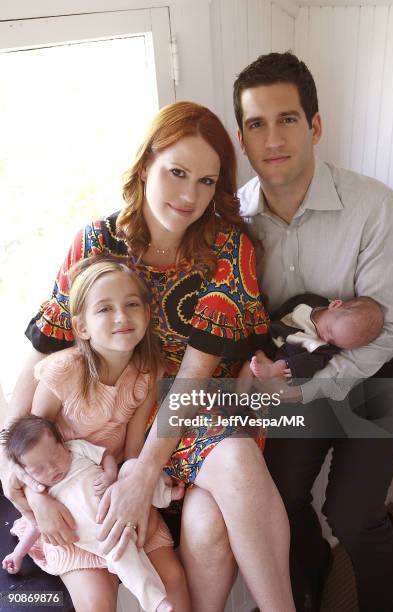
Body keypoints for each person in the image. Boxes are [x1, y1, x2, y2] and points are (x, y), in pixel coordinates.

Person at [1, 101, 295, 612]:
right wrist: (10, 457)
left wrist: (141, 474)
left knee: (227, 480)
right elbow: (43, 349)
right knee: (206, 526)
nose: (189, 195)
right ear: (145, 166)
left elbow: (196, 376)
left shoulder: (230, 248)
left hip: (200, 410)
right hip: (118, 420)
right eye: (176, 172)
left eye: (207, 181)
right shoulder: (96, 242)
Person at [235, 52, 393, 612]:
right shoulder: (233, 221)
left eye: (286, 118)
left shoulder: (377, 208)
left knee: (354, 516)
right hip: (295, 368)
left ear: (314, 125)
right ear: (242, 139)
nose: (272, 138)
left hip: (375, 369)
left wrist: (306, 393)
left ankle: (387, 599)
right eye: (256, 124)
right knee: (278, 497)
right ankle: (308, 580)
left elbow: (391, 330)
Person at [2, 415, 185, 612]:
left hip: (122, 500)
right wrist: (18, 554)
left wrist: (109, 474)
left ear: (62, 445)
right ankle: (156, 602)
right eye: (39, 470)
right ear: (27, 474)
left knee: (132, 467)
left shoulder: (76, 449)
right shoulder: (43, 492)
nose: (51, 469)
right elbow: (37, 525)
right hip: (105, 537)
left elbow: (105, 456)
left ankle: (166, 494)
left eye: (54, 458)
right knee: (122, 555)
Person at [238, 294, 384, 386]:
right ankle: (236, 402)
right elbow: (282, 312)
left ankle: (270, 371)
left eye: (334, 341)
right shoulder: (308, 303)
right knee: (250, 364)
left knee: (279, 370)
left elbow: (316, 361)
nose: (325, 338)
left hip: (287, 360)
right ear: (335, 305)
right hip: (270, 340)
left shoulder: (327, 346)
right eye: (329, 329)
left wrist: (289, 366)